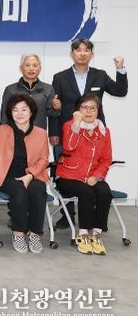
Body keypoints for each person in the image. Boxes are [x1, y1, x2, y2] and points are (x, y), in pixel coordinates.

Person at [51, 39, 126, 229]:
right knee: (68, 171)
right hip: (69, 131)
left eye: (86, 50)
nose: (82, 53)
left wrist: (120, 69)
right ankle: (66, 215)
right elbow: (54, 107)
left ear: (91, 54)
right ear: (72, 53)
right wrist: (54, 132)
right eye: (78, 50)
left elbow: (120, 91)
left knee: (92, 169)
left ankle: (92, 217)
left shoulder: (100, 75)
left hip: (94, 132)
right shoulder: (60, 77)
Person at [0, 95, 50, 253]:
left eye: (24, 109)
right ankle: (18, 233)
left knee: (38, 189)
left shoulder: (41, 133)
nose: (19, 113)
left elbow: (44, 159)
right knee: (19, 190)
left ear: (31, 112)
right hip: (6, 176)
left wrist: (30, 175)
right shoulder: (3, 129)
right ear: (10, 113)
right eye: (15, 110)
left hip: (32, 174)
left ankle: (34, 234)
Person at [55, 94, 114, 255]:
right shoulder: (69, 125)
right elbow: (69, 147)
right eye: (84, 107)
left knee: (104, 191)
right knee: (86, 193)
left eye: (93, 108)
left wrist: (97, 176)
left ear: (98, 111)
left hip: (92, 176)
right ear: (77, 110)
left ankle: (96, 234)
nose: (88, 111)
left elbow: (106, 159)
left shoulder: (104, 131)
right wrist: (76, 124)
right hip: (68, 176)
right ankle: (82, 234)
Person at [1, 53, 59, 140]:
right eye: (27, 65)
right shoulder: (10, 90)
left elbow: (52, 115)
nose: (31, 68)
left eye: (35, 65)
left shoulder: (48, 89)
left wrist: (56, 108)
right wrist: (3, 135)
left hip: (38, 135)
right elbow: (4, 116)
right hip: (15, 136)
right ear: (21, 68)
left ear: (40, 68)